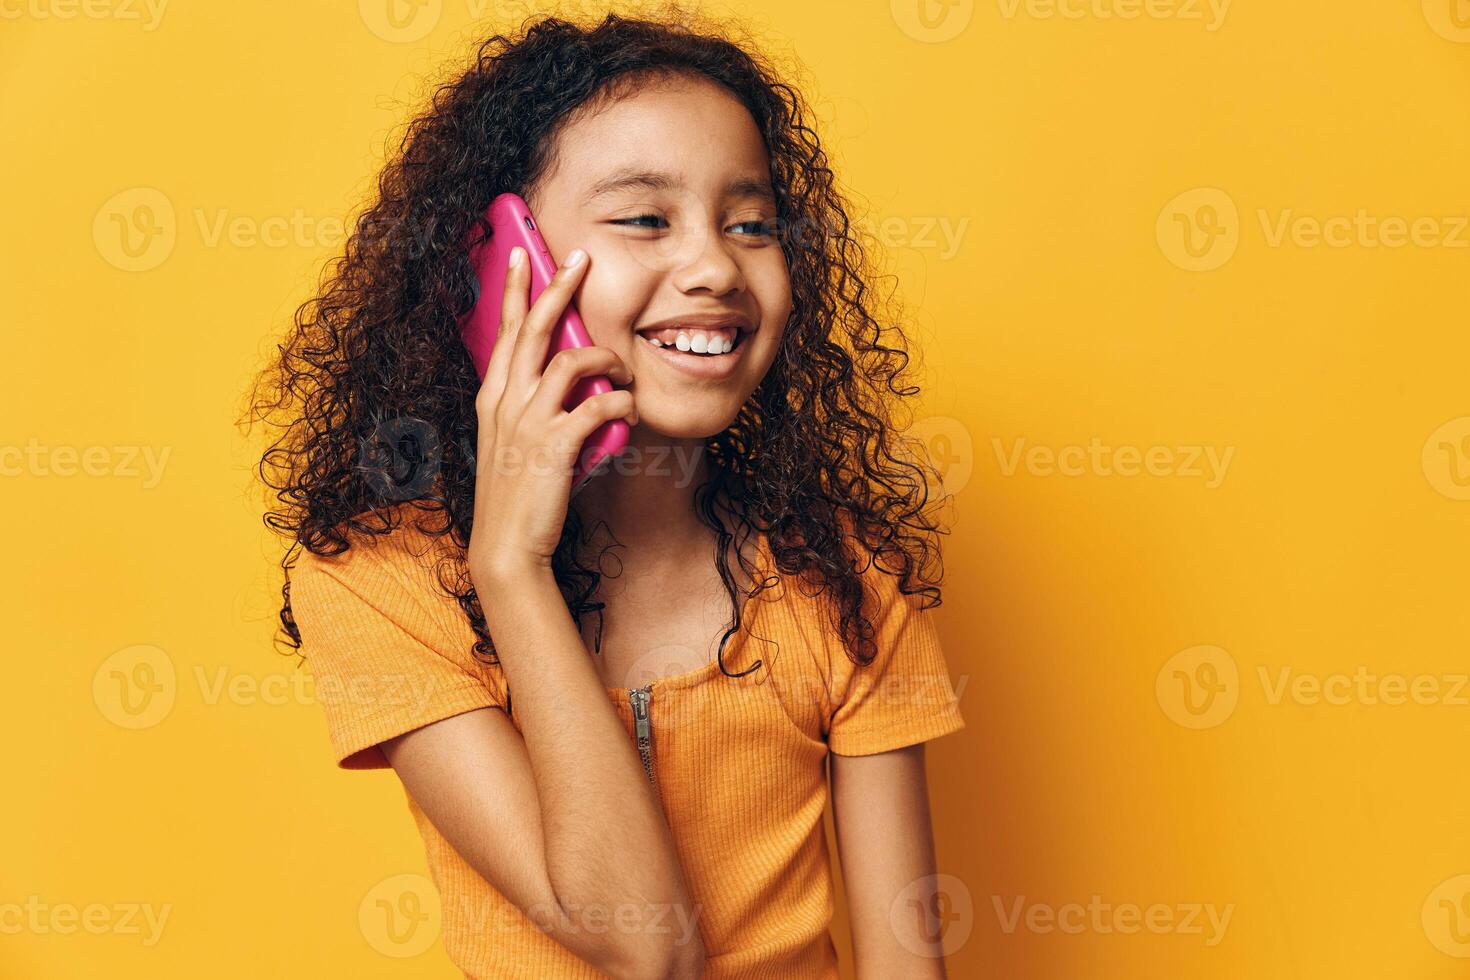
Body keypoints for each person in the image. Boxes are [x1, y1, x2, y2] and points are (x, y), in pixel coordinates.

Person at [250, 10, 965, 978]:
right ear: (503, 266)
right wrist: (511, 567)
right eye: (644, 218)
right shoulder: (379, 581)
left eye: (750, 223)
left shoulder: (840, 574)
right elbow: (642, 942)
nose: (715, 265)